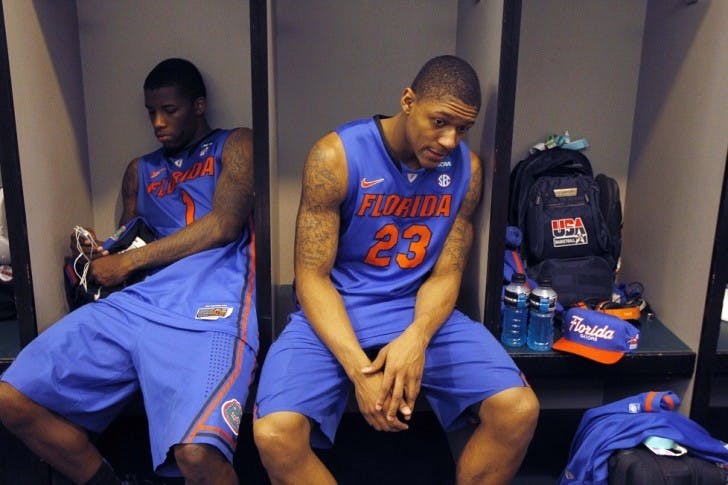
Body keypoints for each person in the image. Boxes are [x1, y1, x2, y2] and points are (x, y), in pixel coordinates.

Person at [253, 55, 539, 484]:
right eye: (439, 121)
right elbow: (311, 278)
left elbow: (445, 274)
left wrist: (417, 338)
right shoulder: (336, 157)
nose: (448, 140)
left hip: (415, 309)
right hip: (335, 310)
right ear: (408, 100)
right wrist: (360, 373)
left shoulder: (468, 170)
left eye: (462, 129)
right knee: (275, 434)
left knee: (518, 409)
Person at [0, 58, 257, 485]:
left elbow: (224, 225)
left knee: (196, 455)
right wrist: (100, 251)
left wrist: (128, 261)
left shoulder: (237, 144)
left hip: (210, 307)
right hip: (135, 305)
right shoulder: (140, 170)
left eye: (169, 110)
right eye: (150, 112)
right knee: (10, 398)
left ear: (198, 105)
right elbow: (129, 237)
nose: (158, 122)